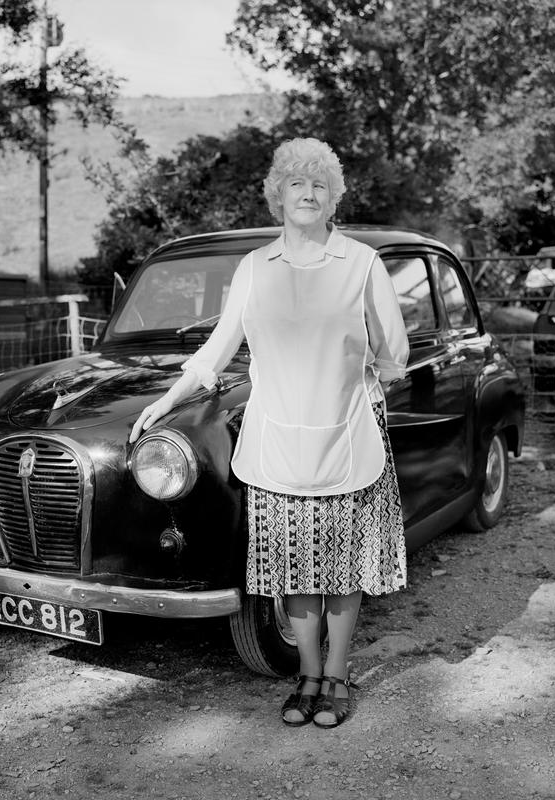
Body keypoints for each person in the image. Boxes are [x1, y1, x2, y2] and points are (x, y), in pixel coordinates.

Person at [130, 137, 409, 728]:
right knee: (295, 573)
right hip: (277, 442)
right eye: (295, 184)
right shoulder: (254, 268)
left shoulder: (362, 263)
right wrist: (166, 400)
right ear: (277, 195)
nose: (307, 195)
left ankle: (336, 676)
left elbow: (392, 354)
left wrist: (362, 396)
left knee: (342, 570)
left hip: (347, 438)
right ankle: (306, 676)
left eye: (319, 186)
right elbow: (214, 353)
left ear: (333, 199)